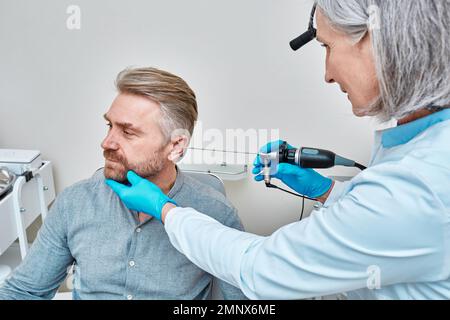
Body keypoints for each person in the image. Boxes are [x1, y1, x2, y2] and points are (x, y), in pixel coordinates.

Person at [106, 1, 450, 300]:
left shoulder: (420, 184)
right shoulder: (423, 156)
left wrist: (166, 210)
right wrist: (329, 192)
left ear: (382, 44)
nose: (327, 74)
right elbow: (387, 225)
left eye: (328, 47)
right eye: (110, 126)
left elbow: (257, 270)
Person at [0, 67, 247, 300]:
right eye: (110, 125)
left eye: (128, 132)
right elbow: (23, 291)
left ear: (175, 145)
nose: (107, 142)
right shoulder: (74, 203)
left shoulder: (216, 214)